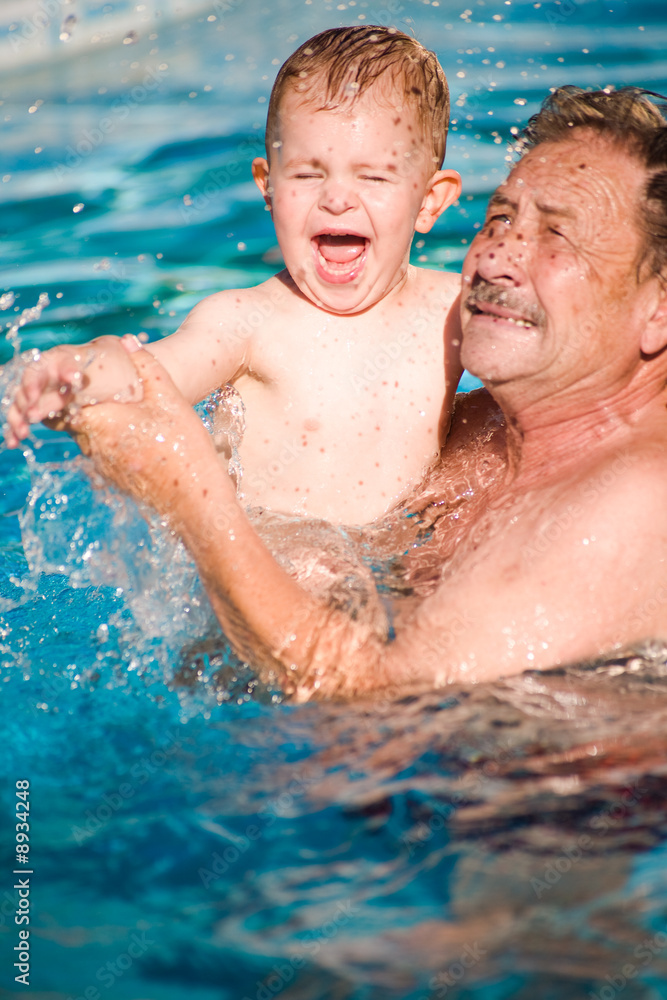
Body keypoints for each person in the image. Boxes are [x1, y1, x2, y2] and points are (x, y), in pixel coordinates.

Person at [65, 85, 667, 700]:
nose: (494, 261)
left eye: (556, 237)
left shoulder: (637, 501)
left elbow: (369, 692)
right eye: (501, 220)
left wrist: (188, 489)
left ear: (659, 307)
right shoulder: (482, 435)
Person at [3, 25, 463, 525]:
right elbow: (151, 375)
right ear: (268, 188)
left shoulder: (453, 311)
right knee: (323, 566)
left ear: (430, 200)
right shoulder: (246, 322)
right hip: (277, 563)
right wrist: (78, 372)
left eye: (373, 176)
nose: (336, 198)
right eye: (309, 174)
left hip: (403, 564)